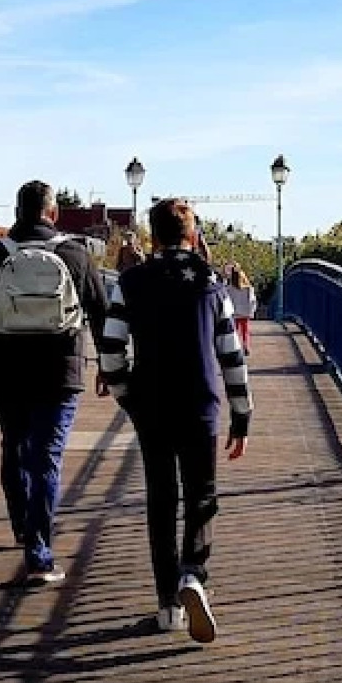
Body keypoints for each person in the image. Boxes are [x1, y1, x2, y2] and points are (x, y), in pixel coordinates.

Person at [98, 197, 252, 642]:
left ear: (153, 234)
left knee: (161, 500)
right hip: (201, 404)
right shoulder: (210, 283)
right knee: (202, 496)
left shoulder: (132, 282)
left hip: (153, 405)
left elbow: (111, 354)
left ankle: (168, 607)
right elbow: (231, 356)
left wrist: (130, 399)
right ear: (191, 233)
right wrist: (241, 416)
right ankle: (193, 575)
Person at [0, 181, 112, 585]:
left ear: (17, 211)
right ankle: (39, 553)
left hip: (5, 369)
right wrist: (108, 367)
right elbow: (100, 312)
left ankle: (23, 527)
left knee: (14, 447)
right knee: (46, 457)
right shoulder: (76, 253)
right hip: (60, 370)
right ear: (53, 212)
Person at [224, 263, 257, 353]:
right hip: (244, 313)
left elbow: (227, 301)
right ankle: (246, 346)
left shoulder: (228, 289)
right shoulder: (248, 289)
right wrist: (251, 312)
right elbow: (252, 301)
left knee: (235, 331)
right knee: (245, 330)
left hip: (234, 313)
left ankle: (235, 347)